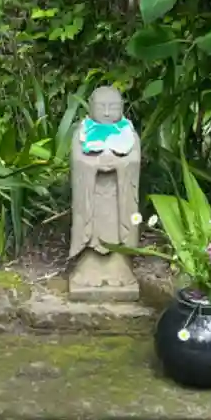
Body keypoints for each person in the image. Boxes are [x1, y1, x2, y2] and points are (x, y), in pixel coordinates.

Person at [68, 85, 141, 300]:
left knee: (117, 231)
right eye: (102, 107)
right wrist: (96, 165)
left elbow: (134, 160)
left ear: (122, 107)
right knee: (93, 232)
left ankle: (119, 267)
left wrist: (118, 165)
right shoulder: (83, 132)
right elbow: (78, 161)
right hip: (93, 197)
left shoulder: (128, 133)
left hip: (118, 196)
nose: (107, 112)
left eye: (113, 107)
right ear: (91, 107)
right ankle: (89, 267)